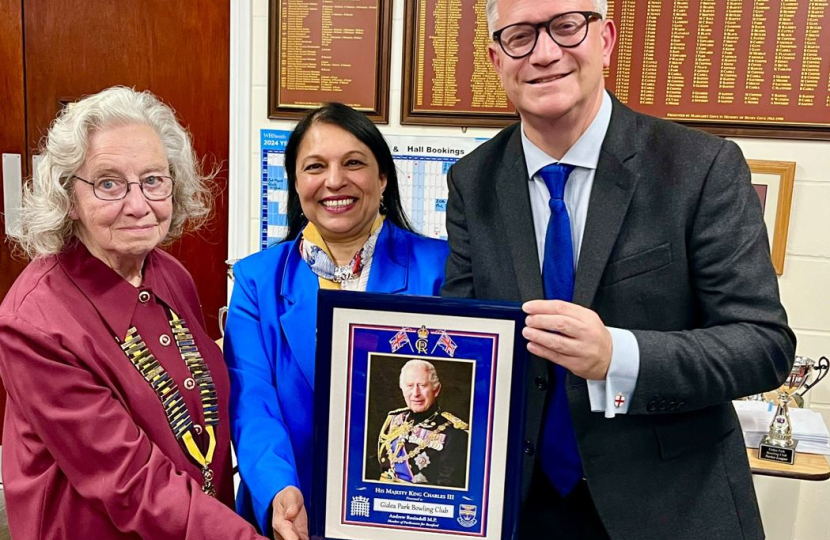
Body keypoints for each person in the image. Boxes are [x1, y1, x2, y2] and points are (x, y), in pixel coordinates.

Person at [442, 1, 796, 539]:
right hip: (519, 505)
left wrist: (619, 357)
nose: (543, 53)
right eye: (519, 36)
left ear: (605, 39)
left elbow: (763, 344)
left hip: (670, 507)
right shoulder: (473, 181)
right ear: (496, 58)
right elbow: (465, 334)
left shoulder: (700, 167)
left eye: (565, 27)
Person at [0, 87, 264, 539]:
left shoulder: (168, 273)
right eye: (108, 183)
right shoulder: (34, 322)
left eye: (153, 180)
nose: (138, 204)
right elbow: (129, 481)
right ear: (69, 197)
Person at [224, 102, 449, 540]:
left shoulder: (440, 269)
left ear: (382, 177)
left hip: (412, 513)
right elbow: (253, 405)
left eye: (353, 163)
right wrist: (278, 488)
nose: (334, 181)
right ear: (295, 181)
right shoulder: (256, 281)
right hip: (293, 513)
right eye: (315, 166)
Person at [377, 359, 469, 487]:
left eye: (422, 385)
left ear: (436, 390)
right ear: (402, 389)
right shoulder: (394, 420)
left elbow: (447, 490)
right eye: (409, 386)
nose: (415, 393)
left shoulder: (454, 433)